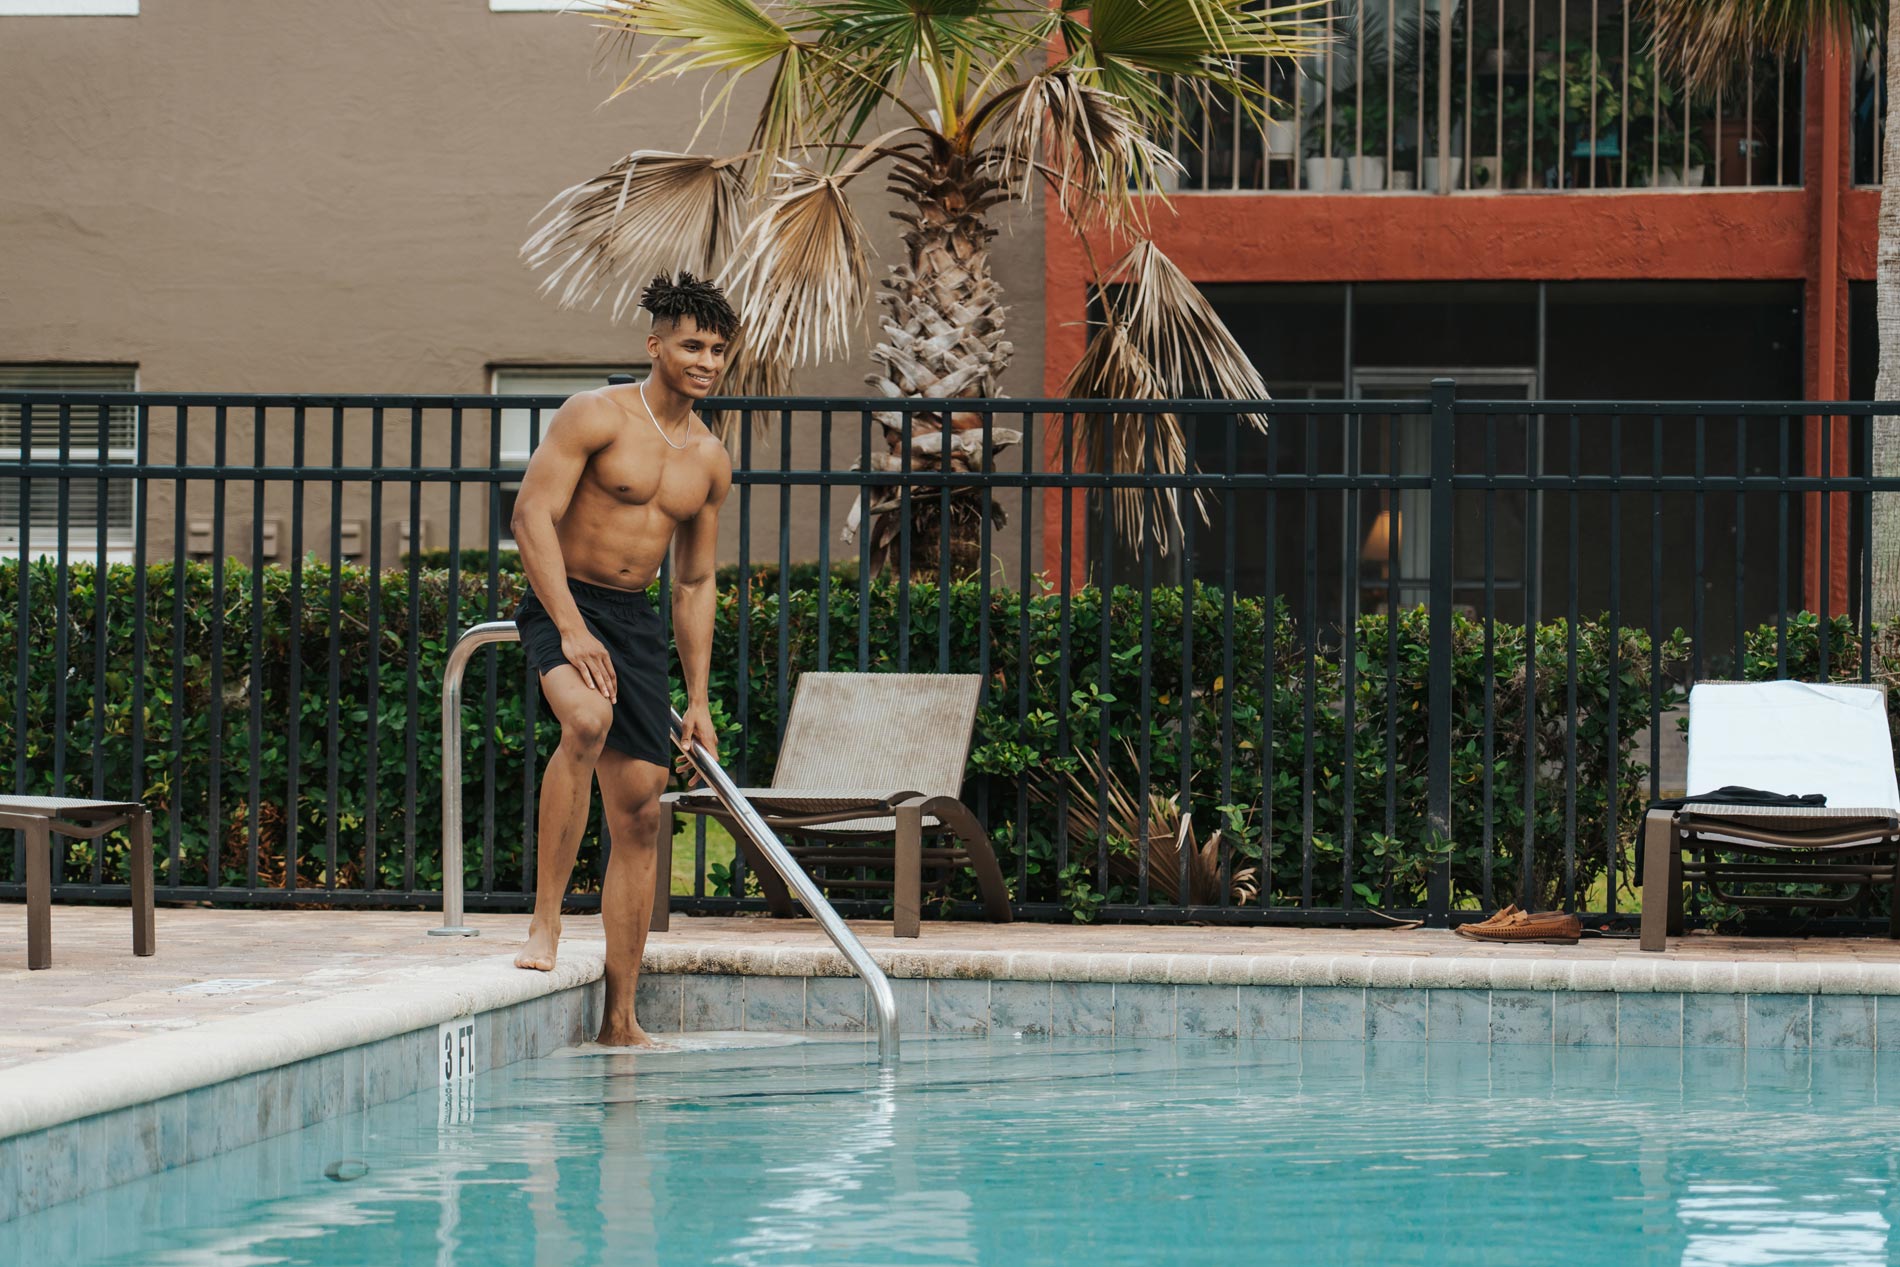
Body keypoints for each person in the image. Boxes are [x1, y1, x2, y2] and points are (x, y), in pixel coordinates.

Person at [508, 271, 733, 1047]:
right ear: (656, 345)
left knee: (640, 812)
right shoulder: (594, 416)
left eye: (718, 349)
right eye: (692, 344)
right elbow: (531, 513)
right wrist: (569, 628)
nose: (707, 360)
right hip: (563, 598)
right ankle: (544, 922)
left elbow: (696, 580)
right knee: (586, 717)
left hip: (633, 625)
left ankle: (619, 1016)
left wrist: (696, 697)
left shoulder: (709, 458)